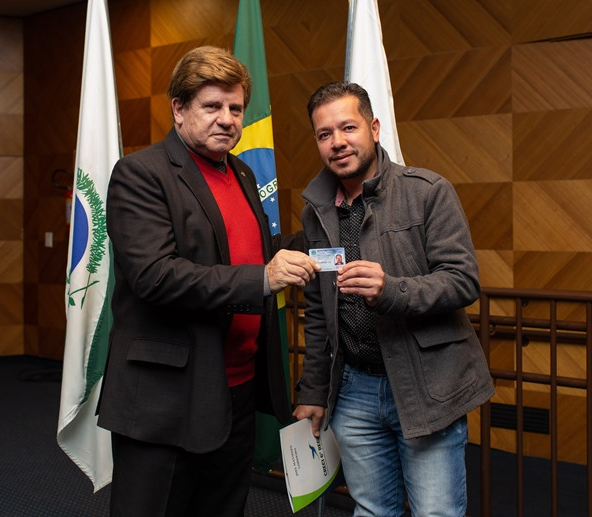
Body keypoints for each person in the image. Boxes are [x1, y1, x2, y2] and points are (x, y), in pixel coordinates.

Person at [97, 46, 319, 517]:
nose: (227, 119)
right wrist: (263, 278)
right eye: (212, 106)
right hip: (166, 398)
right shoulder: (141, 174)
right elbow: (155, 276)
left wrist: (321, 236)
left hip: (237, 388)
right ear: (179, 109)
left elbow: (249, 251)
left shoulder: (240, 171)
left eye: (235, 109)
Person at [293, 82, 495, 517]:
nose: (337, 142)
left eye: (348, 127)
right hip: (353, 391)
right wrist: (313, 390)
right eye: (325, 134)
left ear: (374, 128)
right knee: (372, 512)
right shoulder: (315, 211)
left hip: (426, 386)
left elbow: (463, 281)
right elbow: (318, 312)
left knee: (436, 513)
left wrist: (391, 290)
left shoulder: (427, 191)